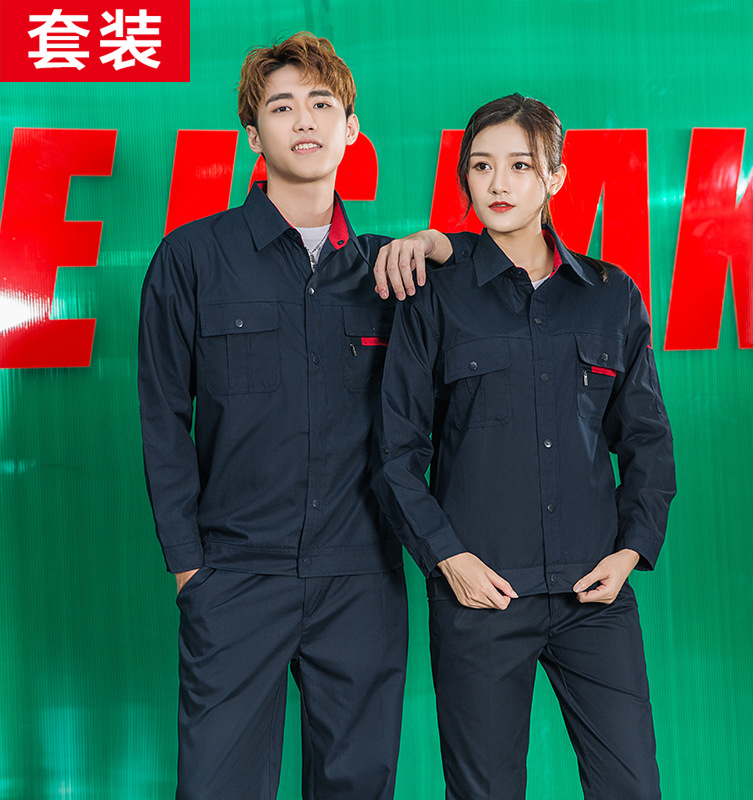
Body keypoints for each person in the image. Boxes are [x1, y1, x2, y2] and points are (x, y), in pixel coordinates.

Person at [138, 32, 451, 800]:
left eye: (321, 103)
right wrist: (190, 569)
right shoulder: (192, 258)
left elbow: (499, 294)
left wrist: (444, 245)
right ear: (254, 134)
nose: (303, 120)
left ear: (351, 128)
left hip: (361, 578)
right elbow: (162, 417)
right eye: (281, 107)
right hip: (236, 575)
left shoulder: (393, 269)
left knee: (356, 786)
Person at [372, 93, 676, 800]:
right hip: (480, 597)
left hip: (593, 594)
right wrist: (448, 558)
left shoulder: (612, 295)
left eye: (519, 165)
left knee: (633, 785)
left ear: (555, 177)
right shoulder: (433, 294)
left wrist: (631, 551)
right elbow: (395, 452)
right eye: (481, 166)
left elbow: (647, 439)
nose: (498, 184)